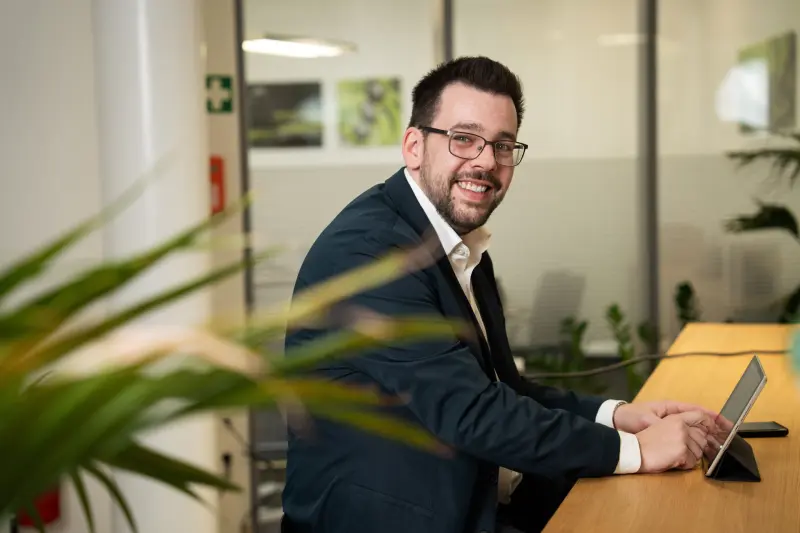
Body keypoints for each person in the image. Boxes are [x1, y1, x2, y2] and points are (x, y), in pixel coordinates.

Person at [280, 56, 720, 533]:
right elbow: (471, 412)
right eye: (463, 138)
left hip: (479, 502)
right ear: (413, 145)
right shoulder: (370, 253)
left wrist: (617, 416)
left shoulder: (457, 244)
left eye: (503, 145)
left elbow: (500, 388)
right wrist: (637, 452)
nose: (486, 160)